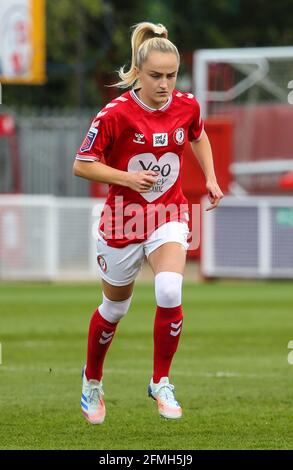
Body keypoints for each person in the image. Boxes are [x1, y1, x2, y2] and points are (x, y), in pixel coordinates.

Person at [73, 21, 223, 424]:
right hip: (122, 220)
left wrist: (209, 176)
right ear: (138, 72)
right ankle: (92, 381)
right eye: (156, 75)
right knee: (114, 310)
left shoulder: (187, 104)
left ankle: (160, 381)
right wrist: (127, 178)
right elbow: (81, 165)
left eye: (171, 75)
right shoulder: (114, 115)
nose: (165, 83)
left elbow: (198, 134)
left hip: (168, 214)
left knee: (171, 288)